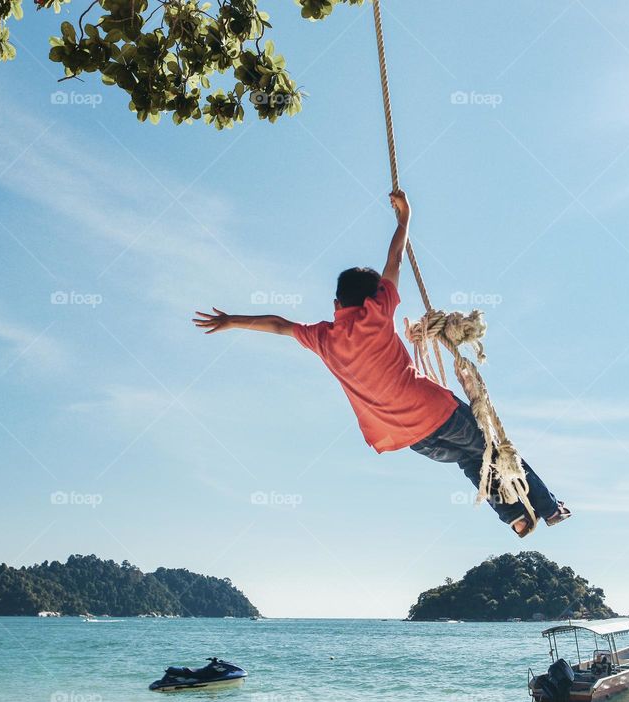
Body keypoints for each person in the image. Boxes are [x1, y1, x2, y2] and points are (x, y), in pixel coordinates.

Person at [193, 190, 570, 537]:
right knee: (493, 445)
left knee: (472, 462)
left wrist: (232, 321)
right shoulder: (377, 313)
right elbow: (395, 259)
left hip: (412, 440)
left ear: (336, 304)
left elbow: (279, 325)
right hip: (437, 411)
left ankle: (516, 518)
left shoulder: (323, 339)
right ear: (375, 297)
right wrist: (404, 219)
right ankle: (548, 509)